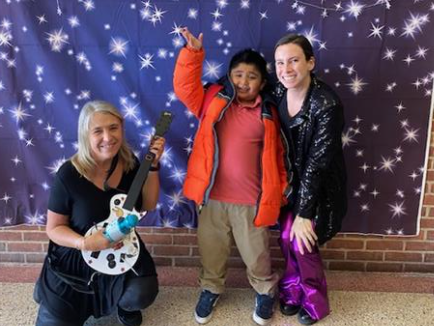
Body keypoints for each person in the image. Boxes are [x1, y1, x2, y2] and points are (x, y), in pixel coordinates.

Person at [173, 27, 291, 326]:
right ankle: (211, 288)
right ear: (229, 76)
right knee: (212, 252)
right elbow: (184, 88)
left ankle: (265, 291)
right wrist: (193, 54)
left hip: (251, 202)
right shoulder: (211, 98)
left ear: (262, 82)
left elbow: (277, 157)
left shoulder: (269, 112)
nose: (243, 82)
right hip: (211, 198)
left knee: (257, 255)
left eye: (251, 76)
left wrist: (280, 191)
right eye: (238, 74)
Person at [33, 101, 165, 326]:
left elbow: (149, 205)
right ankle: (47, 290)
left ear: (122, 128)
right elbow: (54, 229)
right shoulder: (68, 174)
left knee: (143, 292)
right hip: (76, 255)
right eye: (98, 131)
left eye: (113, 127)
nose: (108, 137)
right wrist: (85, 243)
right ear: (85, 134)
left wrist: (152, 166)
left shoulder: (130, 163)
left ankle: (125, 307)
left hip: (118, 247)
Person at [273, 34, 347, 325]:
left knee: (302, 240)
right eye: (280, 62)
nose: (286, 68)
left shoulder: (326, 104)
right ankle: (291, 290)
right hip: (287, 185)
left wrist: (304, 213)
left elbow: (318, 163)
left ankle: (316, 302)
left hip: (320, 189)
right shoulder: (277, 93)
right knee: (284, 237)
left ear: (310, 62)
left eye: (293, 60)